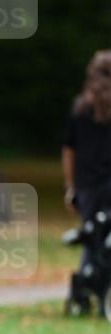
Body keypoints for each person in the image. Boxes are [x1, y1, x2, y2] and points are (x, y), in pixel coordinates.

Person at [62, 50, 111, 268]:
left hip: (87, 186)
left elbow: (68, 150)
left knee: (91, 236)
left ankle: (85, 285)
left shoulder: (80, 107)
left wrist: (71, 186)